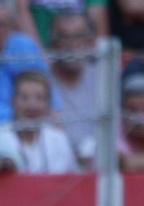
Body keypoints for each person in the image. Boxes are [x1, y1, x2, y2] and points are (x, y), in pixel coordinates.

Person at [46, 12, 102, 165]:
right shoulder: (41, 79)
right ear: (52, 43)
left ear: (90, 42)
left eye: (78, 36)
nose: (71, 45)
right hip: (55, 166)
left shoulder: (104, 78)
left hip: (97, 165)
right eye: (64, 37)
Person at [11, 70, 80, 171]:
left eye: (39, 98)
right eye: (24, 98)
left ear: (48, 103)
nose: (32, 105)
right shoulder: (1, 137)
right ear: (13, 101)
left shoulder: (58, 140)